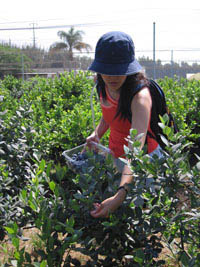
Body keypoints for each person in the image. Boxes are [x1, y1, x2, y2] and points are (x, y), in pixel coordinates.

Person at [86, 31, 163, 218]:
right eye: (107, 70)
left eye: (118, 70)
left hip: (144, 160)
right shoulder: (101, 84)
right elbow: (109, 115)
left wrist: (119, 196)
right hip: (116, 154)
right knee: (122, 215)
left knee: (142, 213)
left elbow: (135, 152)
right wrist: (97, 134)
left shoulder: (140, 97)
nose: (112, 77)